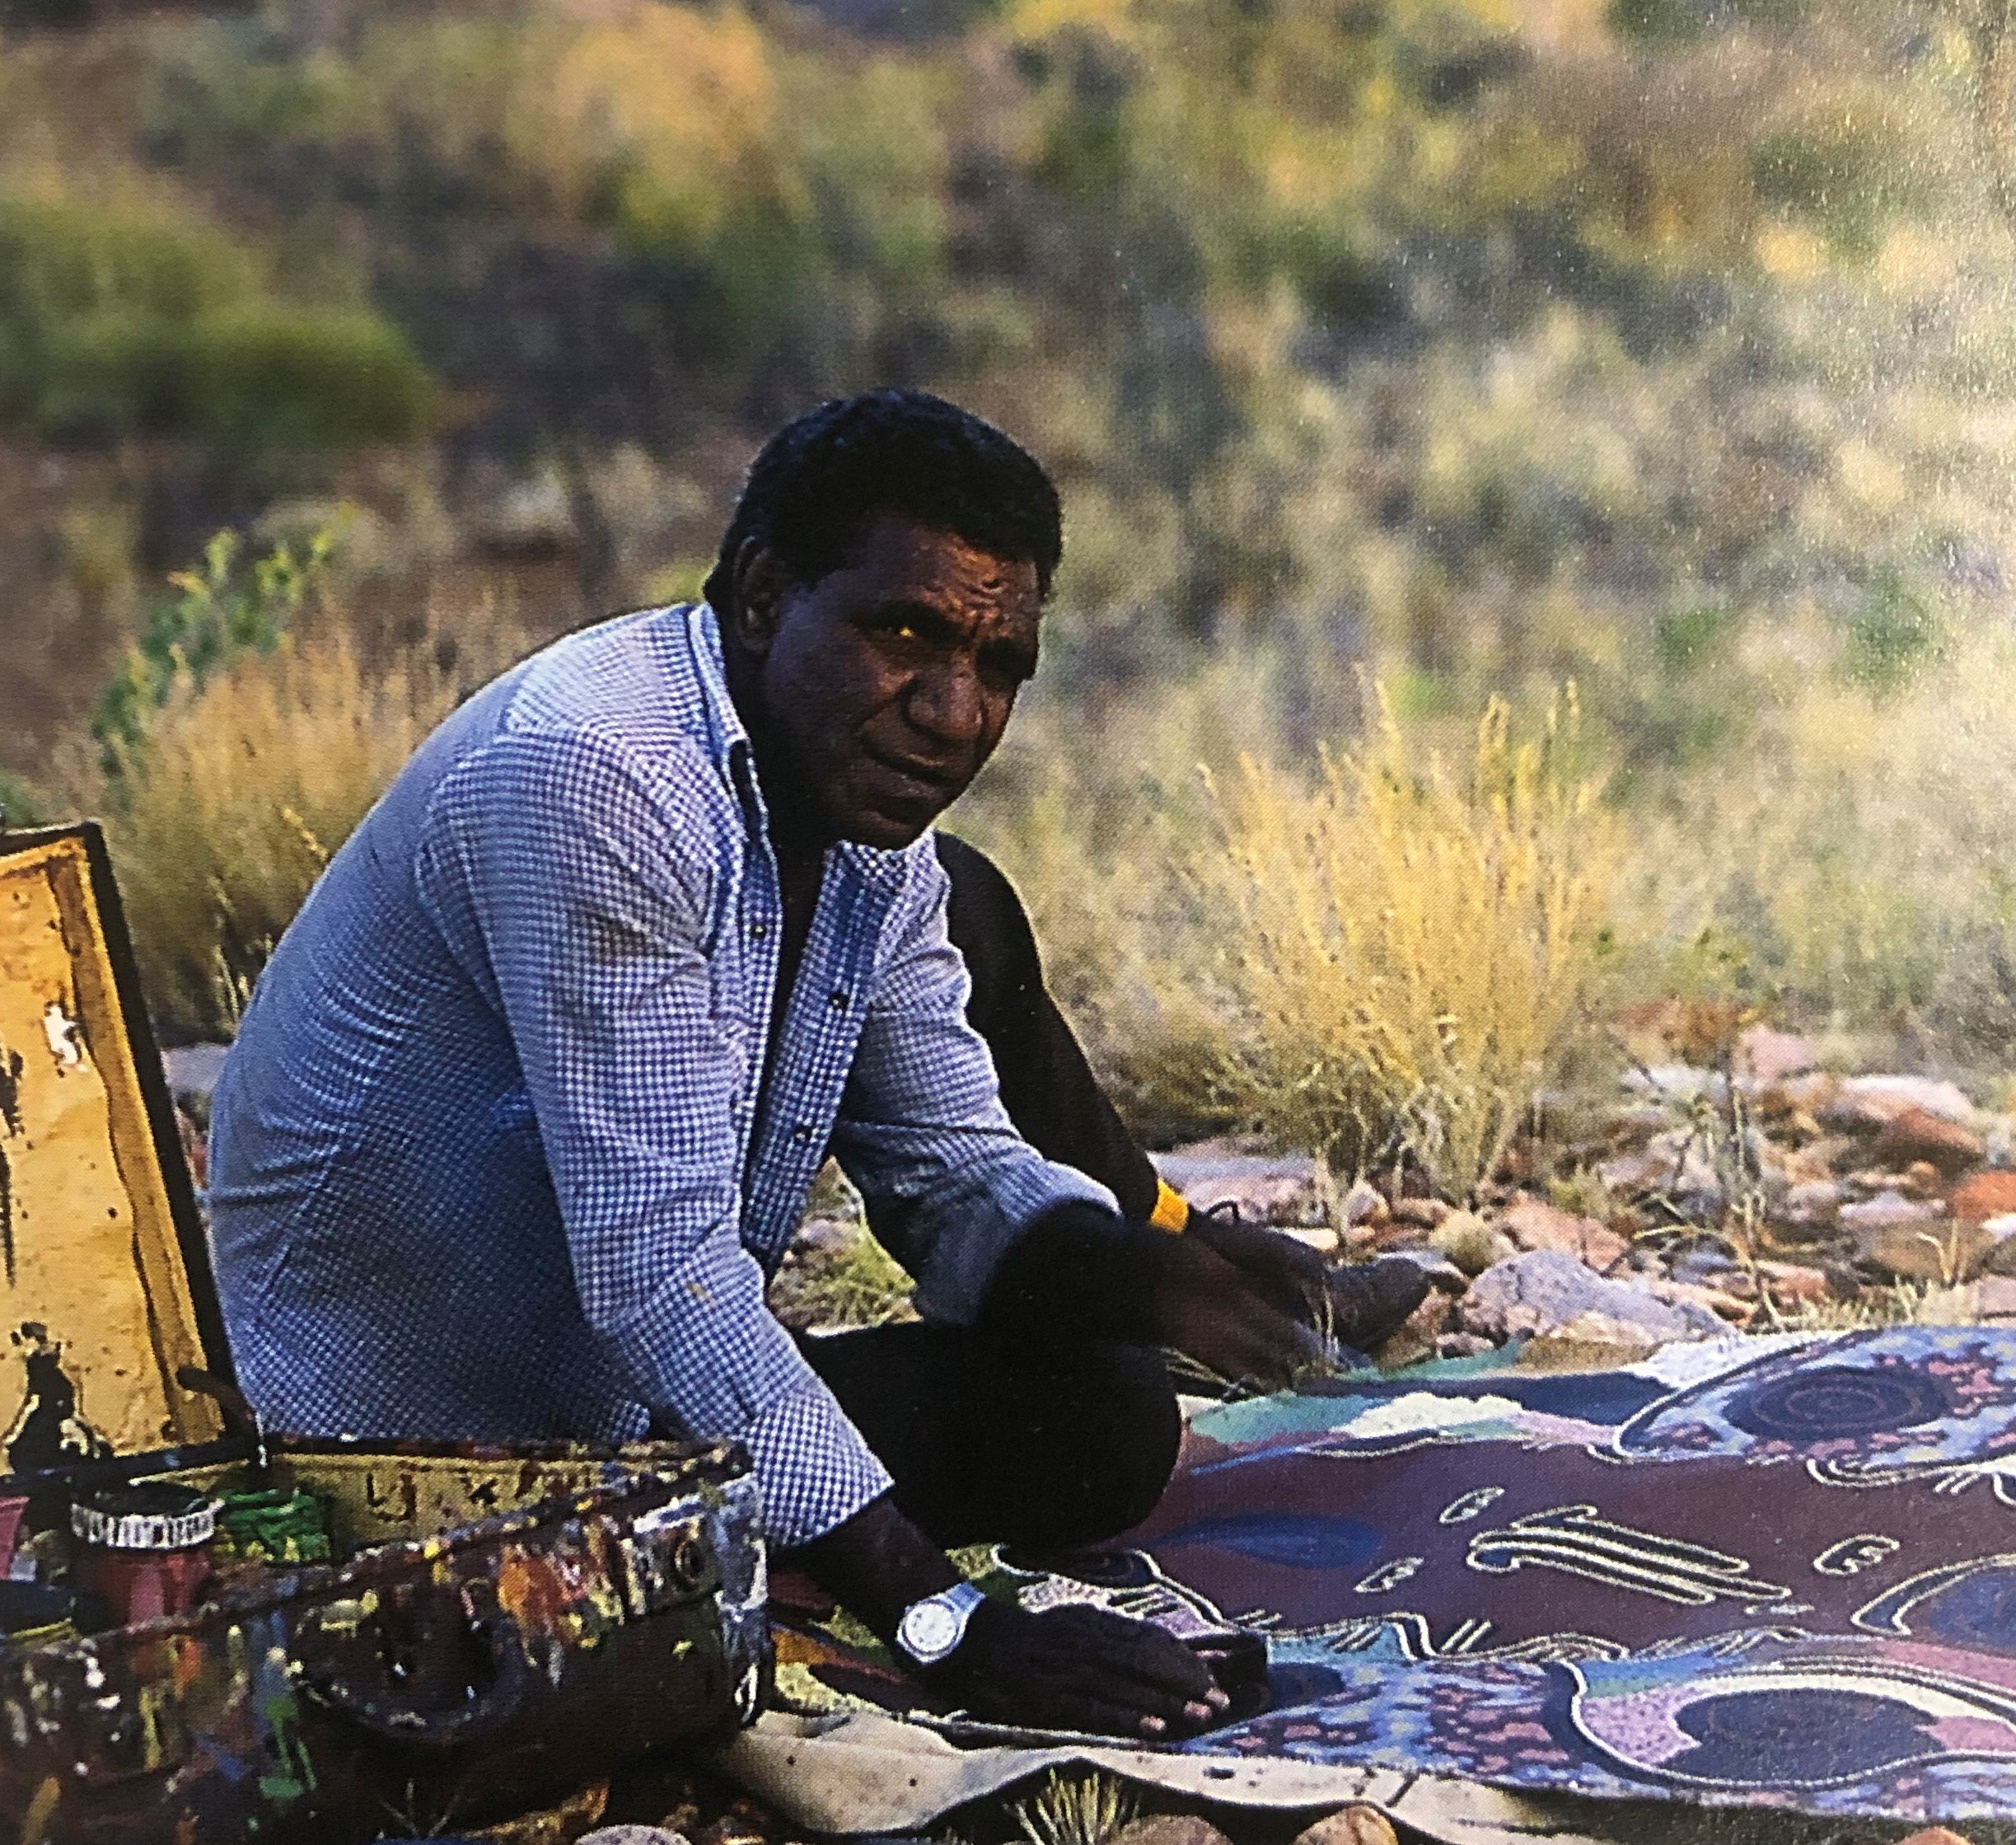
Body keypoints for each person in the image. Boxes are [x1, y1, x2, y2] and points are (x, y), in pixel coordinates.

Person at [208, 393, 1398, 1741]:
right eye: (908, 634)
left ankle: (737, 1546)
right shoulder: (598, 778)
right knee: (816, 1581)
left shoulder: (857, 808)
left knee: (1106, 1414)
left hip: (626, 1416)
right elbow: (660, 1273)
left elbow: (952, 1170)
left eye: (1000, 665)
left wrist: (1153, 1276)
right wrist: (950, 1625)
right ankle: (712, 1577)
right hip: (391, 1446)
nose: (954, 714)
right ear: (767, 595)